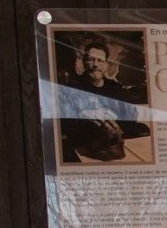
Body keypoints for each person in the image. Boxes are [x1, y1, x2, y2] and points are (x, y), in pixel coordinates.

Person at [55, 36, 151, 164]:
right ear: (84, 62)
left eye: (100, 60)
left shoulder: (116, 89)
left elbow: (131, 118)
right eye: (90, 60)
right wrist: (84, 117)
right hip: (85, 151)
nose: (95, 65)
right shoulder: (72, 88)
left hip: (116, 149)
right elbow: (64, 125)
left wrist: (113, 121)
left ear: (106, 64)